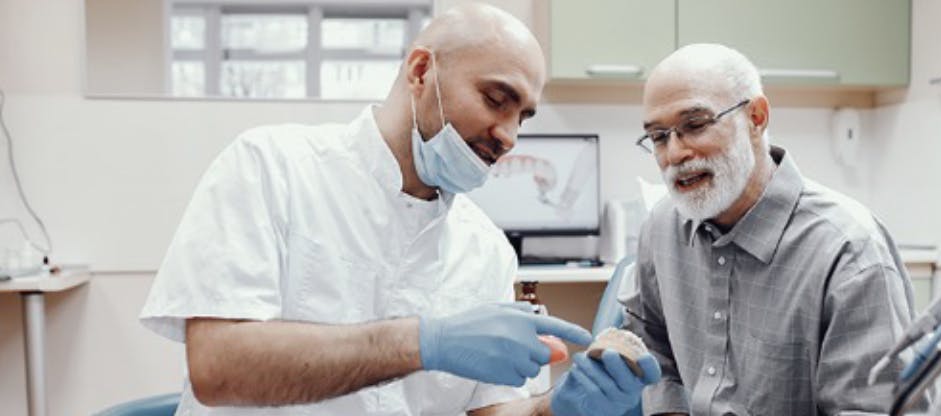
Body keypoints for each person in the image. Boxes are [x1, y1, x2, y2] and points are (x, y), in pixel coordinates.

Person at [138, 4, 660, 415]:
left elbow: (492, 410)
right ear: (419, 71)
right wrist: (424, 342)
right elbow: (219, 367)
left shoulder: (487, 251)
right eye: (496, 98)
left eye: (523, 116)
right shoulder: (271, 167)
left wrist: (556, 410)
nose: (509, 136)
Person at [617, 43, 921, 415]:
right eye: (659, 137)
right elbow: (650, 342)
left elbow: (870, 409)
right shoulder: (662, 227)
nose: (675, 154)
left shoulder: (850, 252)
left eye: (694, 126)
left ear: (756, 118)